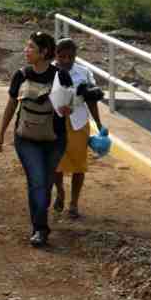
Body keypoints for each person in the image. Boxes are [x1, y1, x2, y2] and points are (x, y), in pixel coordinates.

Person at [0, 32, 72, 248]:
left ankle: (39, 219)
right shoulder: (21, 75)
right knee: (37, 181)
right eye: (27, 46)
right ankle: (40, 228)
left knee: (44, 185)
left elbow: (71, 106)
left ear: (44, 52)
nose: (26, 51)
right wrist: (1, 133)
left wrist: (67, 109)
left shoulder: (61, 76)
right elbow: (12, 105)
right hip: (26, 138)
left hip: (54, 139)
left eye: (31, 47)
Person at [52, 38, 104, 219]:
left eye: (70, 57)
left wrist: (98, 123)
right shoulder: (49, 72)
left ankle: (74, 202)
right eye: (62, 56)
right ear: (55, 55)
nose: (66, 60)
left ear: (75, 56)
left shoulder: (84, 73)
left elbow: (92, 100)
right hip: (55, 123)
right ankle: (59, 191)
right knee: (55, 165)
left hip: (79, 123)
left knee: (79, 165)